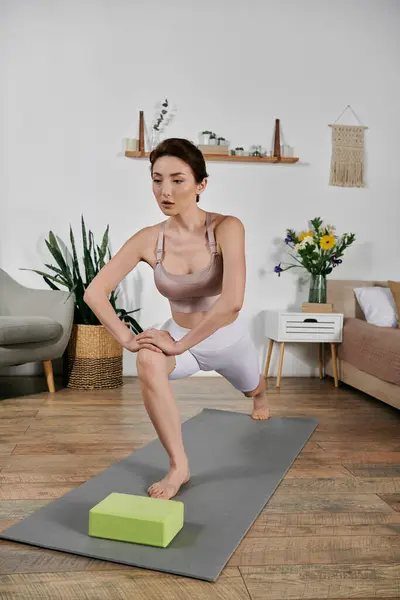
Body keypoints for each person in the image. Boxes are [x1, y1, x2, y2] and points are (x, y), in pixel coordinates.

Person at [84, 138, 270, 501]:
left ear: (201, 185)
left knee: (251, 385)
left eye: (177, 180)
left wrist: (181, 344)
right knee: (149, 360)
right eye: (157, 180)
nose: (164, 191)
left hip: (225, 338)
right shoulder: (148, 239)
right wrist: (127, 339)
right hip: (178, 337)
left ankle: (259, 397)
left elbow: (232, 303)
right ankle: (178, 465)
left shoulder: (227, 227)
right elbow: (94, 292)